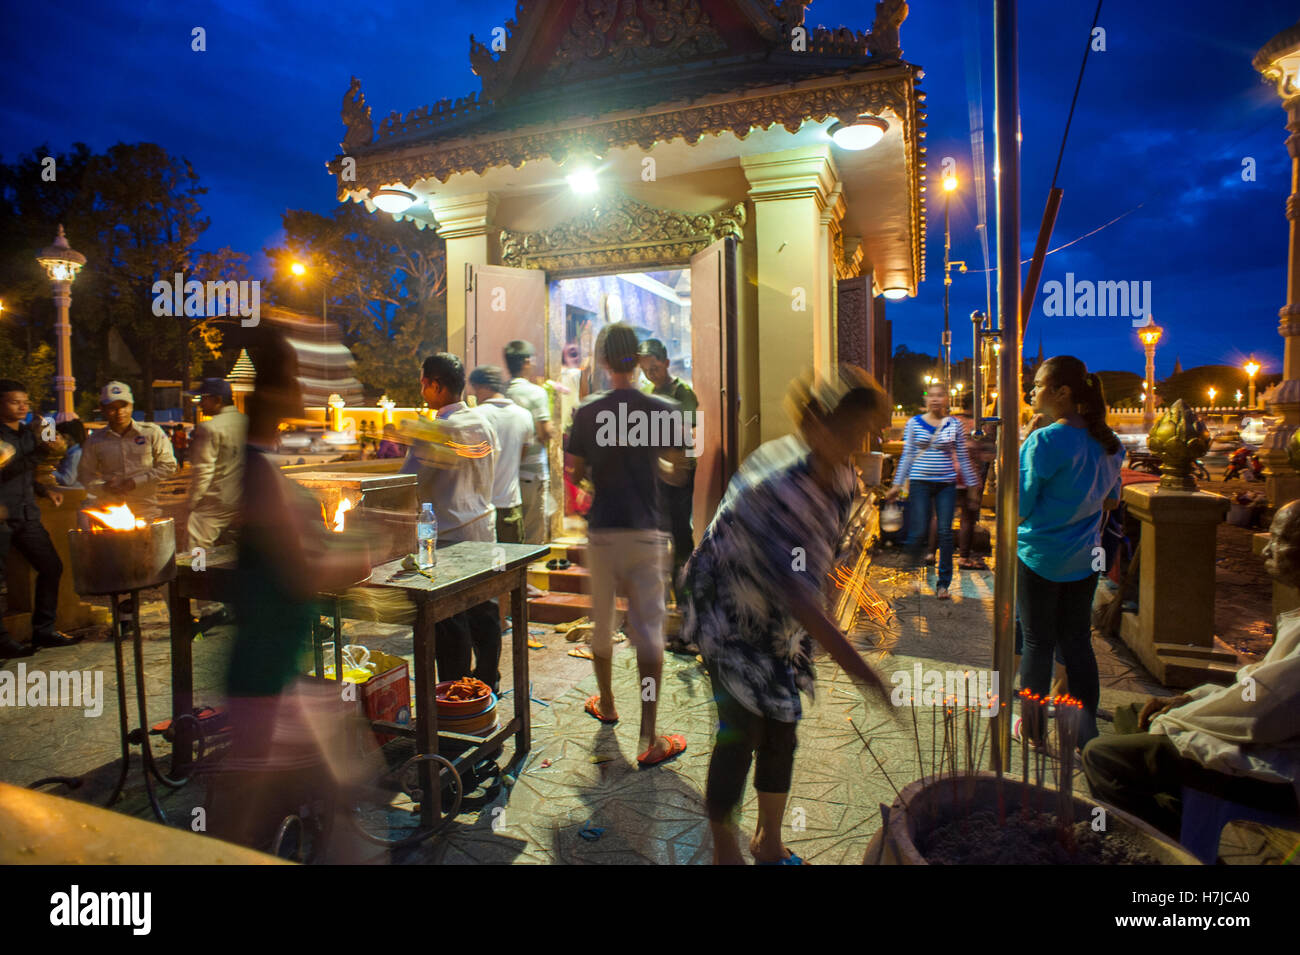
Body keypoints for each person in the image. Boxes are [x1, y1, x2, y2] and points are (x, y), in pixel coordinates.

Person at [680, 365, 891, 864]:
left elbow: (826, 561)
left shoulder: (841, 476)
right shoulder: (779, 488)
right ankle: (725, 849)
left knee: (783, 727)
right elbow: (800, 594)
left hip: (780, 622)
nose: (862, 444)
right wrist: (862, 670)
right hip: (727, 611)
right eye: (855, 432)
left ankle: (768, 841)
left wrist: (847, 604)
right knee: (742, 730)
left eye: (867, 433)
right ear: (817, 426)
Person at [211, 328, 374, 852]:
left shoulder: (265, 464)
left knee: (333, 788)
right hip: (263, 675)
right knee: (246, 819)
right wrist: (363, 552)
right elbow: (300, 574)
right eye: (295, 380)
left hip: (279, 666)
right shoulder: (260, 472)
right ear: (275, 392)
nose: (306, 392)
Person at [1081, 499, 1300, 838]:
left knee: (1103, 755)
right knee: (1131, 714)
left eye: (1278, 539)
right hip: (1264, 730)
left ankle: (1169, 845)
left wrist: (1182, 715)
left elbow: (1259, 711)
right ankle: (1181, 815)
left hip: (1282, 770)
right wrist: (1188, 700)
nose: (1266, 549)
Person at [566, 323, 687, 768]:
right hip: (648, 532)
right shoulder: (664, 408)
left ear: (602, 362)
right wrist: (650, 464)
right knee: (649, 633)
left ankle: (609, 704)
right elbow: (678, 470)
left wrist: (599, 472)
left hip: (603, 532)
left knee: (601, 625)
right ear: (637, 359)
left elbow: (574, 470)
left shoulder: (586, 411)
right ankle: (649, 736)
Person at [1017, 356, 1124, 749]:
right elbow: (1112, 502)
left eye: (1039, 383)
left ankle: (1032, 732)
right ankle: (1084, 734)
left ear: (1062, 392)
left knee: (1037, 644)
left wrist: (1020, 448)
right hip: (1085, 559)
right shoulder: (1111, 445)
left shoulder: (1044, 441)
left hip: (1040, 557)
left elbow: (1020, 508)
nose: (1032, 389)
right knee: (1077, 643)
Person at [402, 353, 504, 692]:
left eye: (423, 383)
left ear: (436, 385)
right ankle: (487, 680)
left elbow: (406, 483)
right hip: (483, 528)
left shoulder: (436, 430)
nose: (422, 389)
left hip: (447, 535)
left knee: (449, 619)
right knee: (484, 608)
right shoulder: (483, 423)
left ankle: (454, 692)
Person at [0, 380, 78, 658]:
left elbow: (25, 474)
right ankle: (2, 640)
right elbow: (7, 471)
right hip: (1, 516)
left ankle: (44, 629)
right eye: (14, 401)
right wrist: (37, 455)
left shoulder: (27, 435)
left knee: (51, 566)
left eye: (25, 401)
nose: (22, 406)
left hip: (26, 514)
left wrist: (45, 490)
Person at [885, 381, 979, 599]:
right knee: (918, 531)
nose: (936, 399)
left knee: (946, 532)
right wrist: (896, 485)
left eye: (940, 395)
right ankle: (912, 576)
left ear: (946, 399)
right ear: (926, 399)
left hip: (946, 483)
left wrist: (972, 486)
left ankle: (943, 584)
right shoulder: (914, 423)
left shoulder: (954, 425)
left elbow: (963, 457)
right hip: (920, 482)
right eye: (932, 395)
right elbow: (907, 455)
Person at [638, 338, 698, 620]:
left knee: (680, 536)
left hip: (678, 474)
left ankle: (686, 604)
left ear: (666, 363)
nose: (650, 374)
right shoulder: (648, 394)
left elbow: (684, 434)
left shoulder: (682, 393)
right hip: (655, 474)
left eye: (654, 368)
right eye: (645, 370)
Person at [78, 381, 177, 519]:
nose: (119, 412)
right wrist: (103, 487)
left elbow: (168, 465)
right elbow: (85, 475)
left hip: (146, 510)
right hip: (111, 513)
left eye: (124, 406)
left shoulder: (151, 433)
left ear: (131, 405)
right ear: (102, 409)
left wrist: (135, 482)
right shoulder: (94, 441)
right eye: (112, 408)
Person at [469, 365, 534, 544]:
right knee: (511, 567)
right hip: (510, 505)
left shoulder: (475, 416)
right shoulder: (524, 416)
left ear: (480, 387)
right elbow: (522, 455)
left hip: (479, 509)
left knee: (486, 568)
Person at [186, 379, 247, 552]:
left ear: (217, 400)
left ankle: (196, 576)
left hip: (217, 500)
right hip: (244, 497)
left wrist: (193, 502)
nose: (199, 405)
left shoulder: (209, 427)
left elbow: (203, 470)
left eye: (203, 399)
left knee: (197, 547)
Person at [504, 340, 555, 545]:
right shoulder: (536, 392)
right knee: (533, 530)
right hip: (533, 471)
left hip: (508, 472)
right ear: (526, 362)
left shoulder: (503, 391)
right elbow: (544, 432)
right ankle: (530, 574)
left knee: (513, 530)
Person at [53, 419, 85, 489]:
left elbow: (67, 480)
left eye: (57, 437)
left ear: (66, 437)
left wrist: (50, 471)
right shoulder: (70, 453)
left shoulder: (76, 454)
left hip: (75, 493)